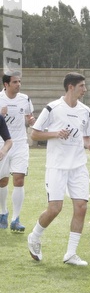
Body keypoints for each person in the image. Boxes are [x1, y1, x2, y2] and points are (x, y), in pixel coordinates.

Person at [27, 72, 90, 266]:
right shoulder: (53, 108)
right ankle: (34, 237)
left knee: (82, 207)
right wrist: (55, 134)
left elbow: (86, 137)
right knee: (55, 209)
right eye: (82, 86)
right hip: (56, 166)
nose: (85, 90)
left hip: (78, 166)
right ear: (71, 87)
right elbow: (35, 134)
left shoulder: (86, 110)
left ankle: (70, 254)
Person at [0, 72, 35, 232]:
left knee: (19, 179)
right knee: (2, 181)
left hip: (20, 144)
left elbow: (29, 117)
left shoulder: (25, 99)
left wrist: (31, 120)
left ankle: (16, 219)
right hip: (2, 144)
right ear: (6, 84)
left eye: (20, 81)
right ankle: (3, 213)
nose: (18, 84)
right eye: (15, 82)